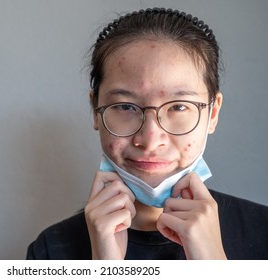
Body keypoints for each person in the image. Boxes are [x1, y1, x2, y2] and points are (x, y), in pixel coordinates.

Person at [26, 8, 268, 260]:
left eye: (179, 106)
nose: (150, 140)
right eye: (125, 106)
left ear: (212, 113)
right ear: (96, 110)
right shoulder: (50, 250)